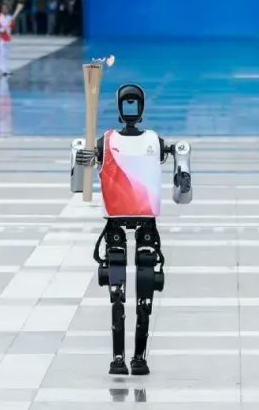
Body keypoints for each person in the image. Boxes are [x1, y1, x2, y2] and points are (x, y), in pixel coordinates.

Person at [71, 84, 193, 376]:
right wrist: (82, 162)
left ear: (140, 107)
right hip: (115, 218)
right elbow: (79, 185)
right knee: (116, 291)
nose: (131, 109)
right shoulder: (104, 141)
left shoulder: (154, 140)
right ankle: (117, 356)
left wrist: (183, 177)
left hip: (146, 219)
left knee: (145, 291)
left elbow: (182, 193)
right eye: (127, 103)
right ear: (120, 106)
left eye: (134, 103)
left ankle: (138, 356)